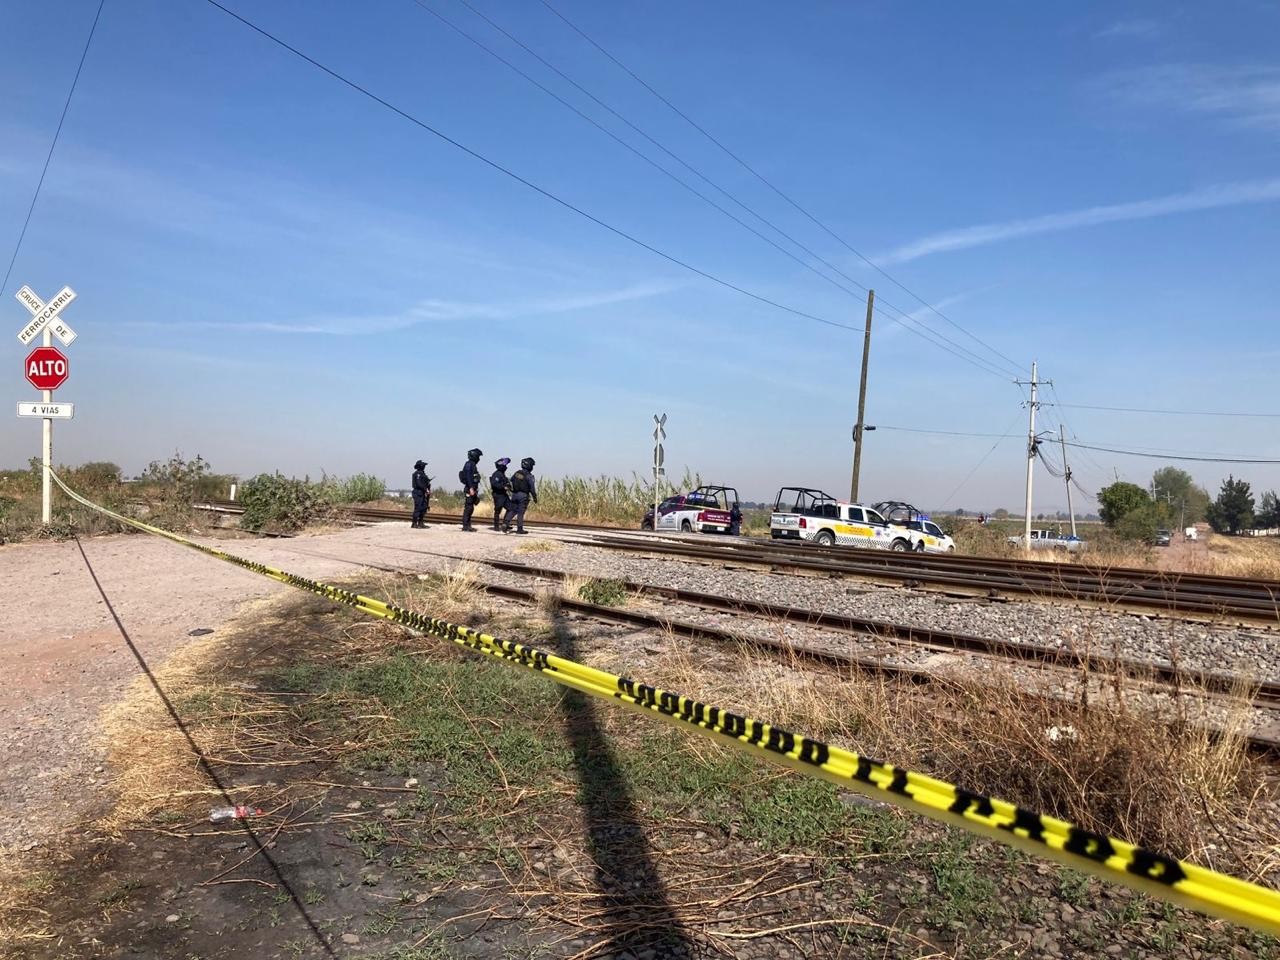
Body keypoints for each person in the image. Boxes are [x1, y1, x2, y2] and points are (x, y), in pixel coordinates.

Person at [503, 457, 538, 534]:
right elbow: (532, 488)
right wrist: (535, 497)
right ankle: (520, 529)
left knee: (512, 510)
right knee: (520, 512)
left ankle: (505, 523)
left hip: (514, 495)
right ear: (529, 466)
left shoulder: (517, 473)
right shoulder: (529, 476)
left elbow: (510, 482)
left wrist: (511, 491)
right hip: (523, 496)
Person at [459, 448, 483, 532]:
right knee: (468, 508)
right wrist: (471, 488)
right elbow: (469, 477)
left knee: (471, 507)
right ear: (474, 456)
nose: (479, 458)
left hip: (472, 489)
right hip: (470, 489)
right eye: (478, 456)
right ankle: (465, 526)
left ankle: (468, 525)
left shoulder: (472, 464)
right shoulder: (469, 464)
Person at [489, 458, 512, 531]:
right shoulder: (497, 474)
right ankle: (496, 527)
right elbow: (494, 484)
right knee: (498, 511)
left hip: (504, 495)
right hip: (498, 495)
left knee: (510, 508)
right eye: (504, 465)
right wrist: (503, 487)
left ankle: (505, 524)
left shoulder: (502, 474)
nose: (506, 467)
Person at [410, 460, 431, 528]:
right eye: (423, 465)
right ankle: (414, 523)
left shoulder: (422, 474)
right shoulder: (418, 474)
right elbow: (419, 484)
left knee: (424, 508)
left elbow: (424, 482)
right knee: (418, 508)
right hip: (418, 492)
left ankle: (420, 522)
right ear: (420, 466)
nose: (424, 467)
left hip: (422, 493)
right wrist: (426, 489)